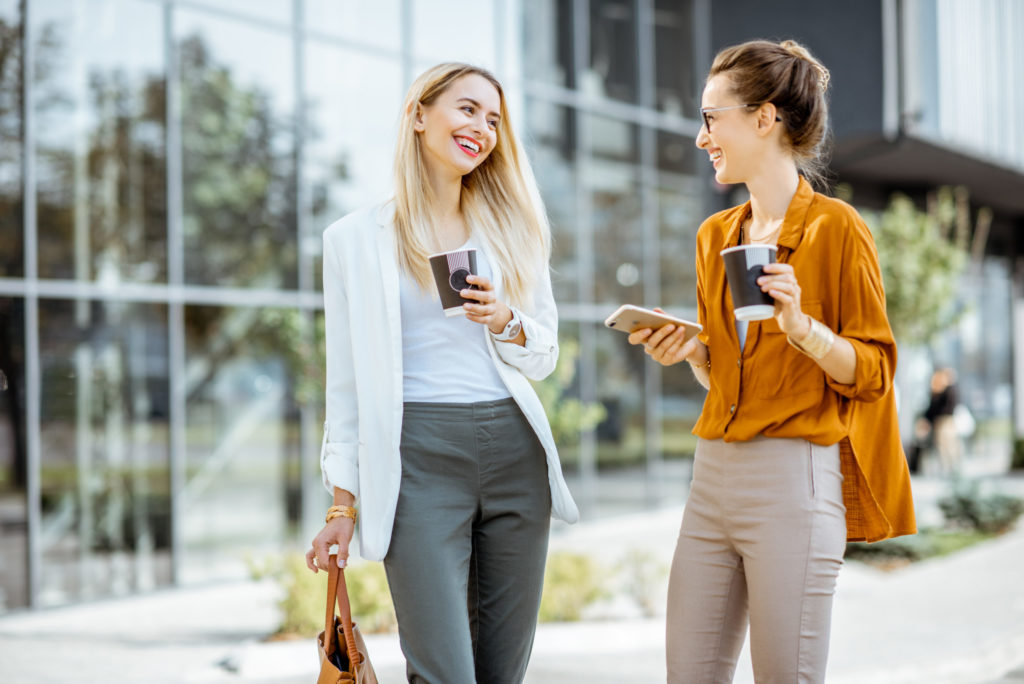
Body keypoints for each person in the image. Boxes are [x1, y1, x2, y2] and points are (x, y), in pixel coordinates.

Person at [628, 40, 916, 683]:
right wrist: (696, 351)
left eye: (711, 117)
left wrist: (802, 327)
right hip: (712, 478)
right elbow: (728, 377)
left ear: (765, 118)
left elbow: (872, 373)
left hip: (794, 481)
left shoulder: (836, 230)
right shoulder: (716, 237)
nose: (702, 137)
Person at [304, 63, 578, 684]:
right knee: (443, 672)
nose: (481, 128)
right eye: (468, 108)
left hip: (514, 452)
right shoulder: (352, 240)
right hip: (416, 459)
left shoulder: (514, 230)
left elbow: (544, 354)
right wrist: (341, 505)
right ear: (420, 114)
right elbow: (344, 384)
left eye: (494, 120)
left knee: (502, 673)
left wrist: (505, 319)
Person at [917, 367, 963, 475]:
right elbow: (931, 409)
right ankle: (947, 469)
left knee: (948, 445)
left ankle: (952, 469)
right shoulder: (938, 391)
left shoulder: (950, 390)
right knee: (942, 446)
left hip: (946, 421)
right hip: (939, 422)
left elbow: (945, 408)